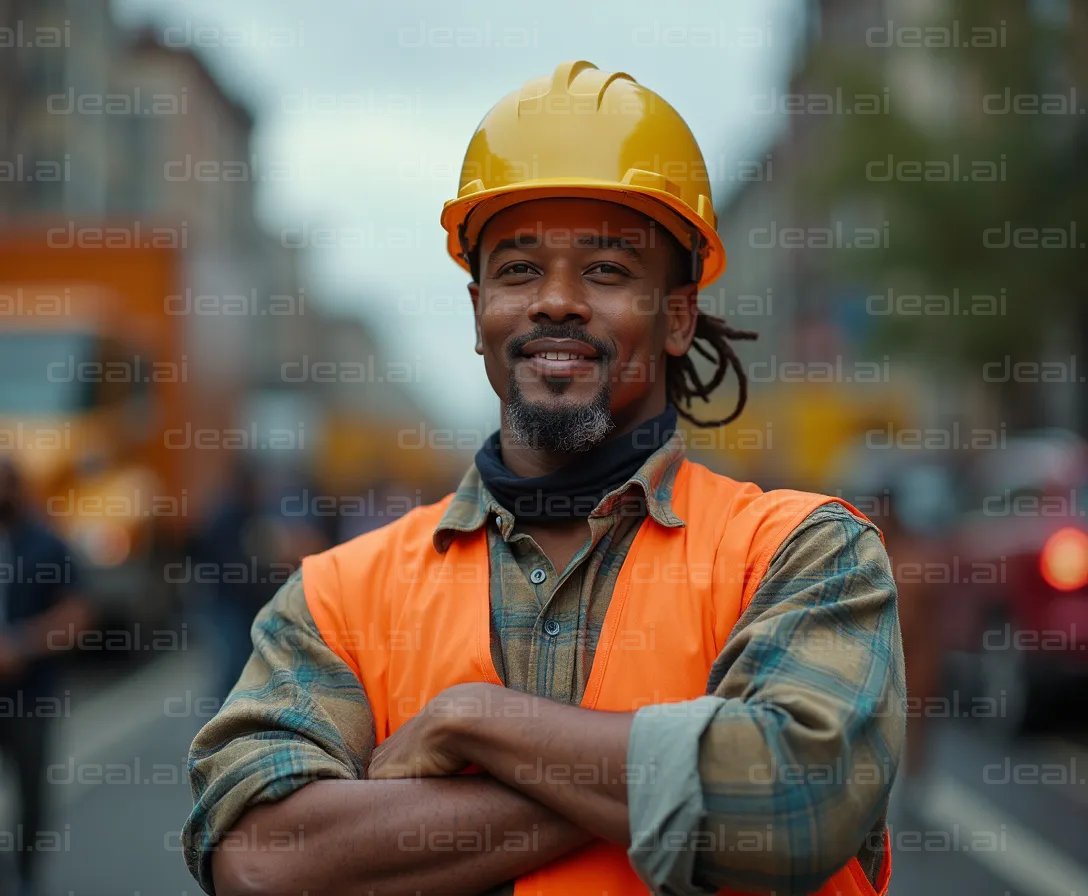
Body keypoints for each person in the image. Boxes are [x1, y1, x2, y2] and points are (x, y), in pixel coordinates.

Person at [183, 61, 905, 896]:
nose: (555, 301)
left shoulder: (801, 552)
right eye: (520, 270)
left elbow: (799, 801)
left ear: (676, 317)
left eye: (606, 270)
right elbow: (264, 859)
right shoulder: (339, 595)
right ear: (479, 311)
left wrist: (476, 722)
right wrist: (660, 777)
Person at [0, 458, 91, 896]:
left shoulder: (49, 546)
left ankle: (27, 875)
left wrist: (23, 644)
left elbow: (76, 616)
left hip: (30, 693)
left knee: (32, 792)